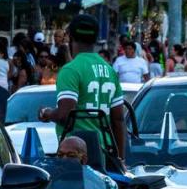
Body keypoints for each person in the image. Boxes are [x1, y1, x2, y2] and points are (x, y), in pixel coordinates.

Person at [39, 14, 127, 161]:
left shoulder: (70, 70)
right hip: (104, 154)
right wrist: (120, 160)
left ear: (71, 37)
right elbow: (118, 119)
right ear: (96, 39)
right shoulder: (109, 70)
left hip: (76, 156)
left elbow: (64, 115)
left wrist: (46, 113)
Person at [56, 136, 121, 189]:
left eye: (71, 156)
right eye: (60, 155)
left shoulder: (105, 183)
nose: (64, 159)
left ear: (84, 159)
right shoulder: (49, 178)